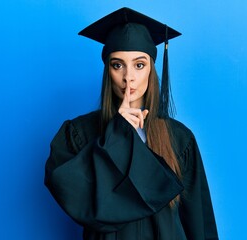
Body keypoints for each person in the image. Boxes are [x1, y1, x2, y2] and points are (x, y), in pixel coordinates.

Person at [44, 7, 218, 240]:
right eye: (118, 65)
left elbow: (199, 222)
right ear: (108, 71)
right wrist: (116, 135)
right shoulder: (79, 133)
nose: (129, 77)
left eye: (139, 65)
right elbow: (71, 193)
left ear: (151, 70)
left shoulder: (178, 138)